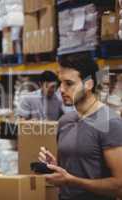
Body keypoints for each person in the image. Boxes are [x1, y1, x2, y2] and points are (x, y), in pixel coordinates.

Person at [38, 52, 122, 200]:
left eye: (69, 83)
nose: (61, 90)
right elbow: (75, 171)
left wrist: (71, 181)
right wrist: (56, 167)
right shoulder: (65, 121)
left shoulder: (109, 122)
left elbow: (119, 187)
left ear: (89, 83)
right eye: (60, 83)